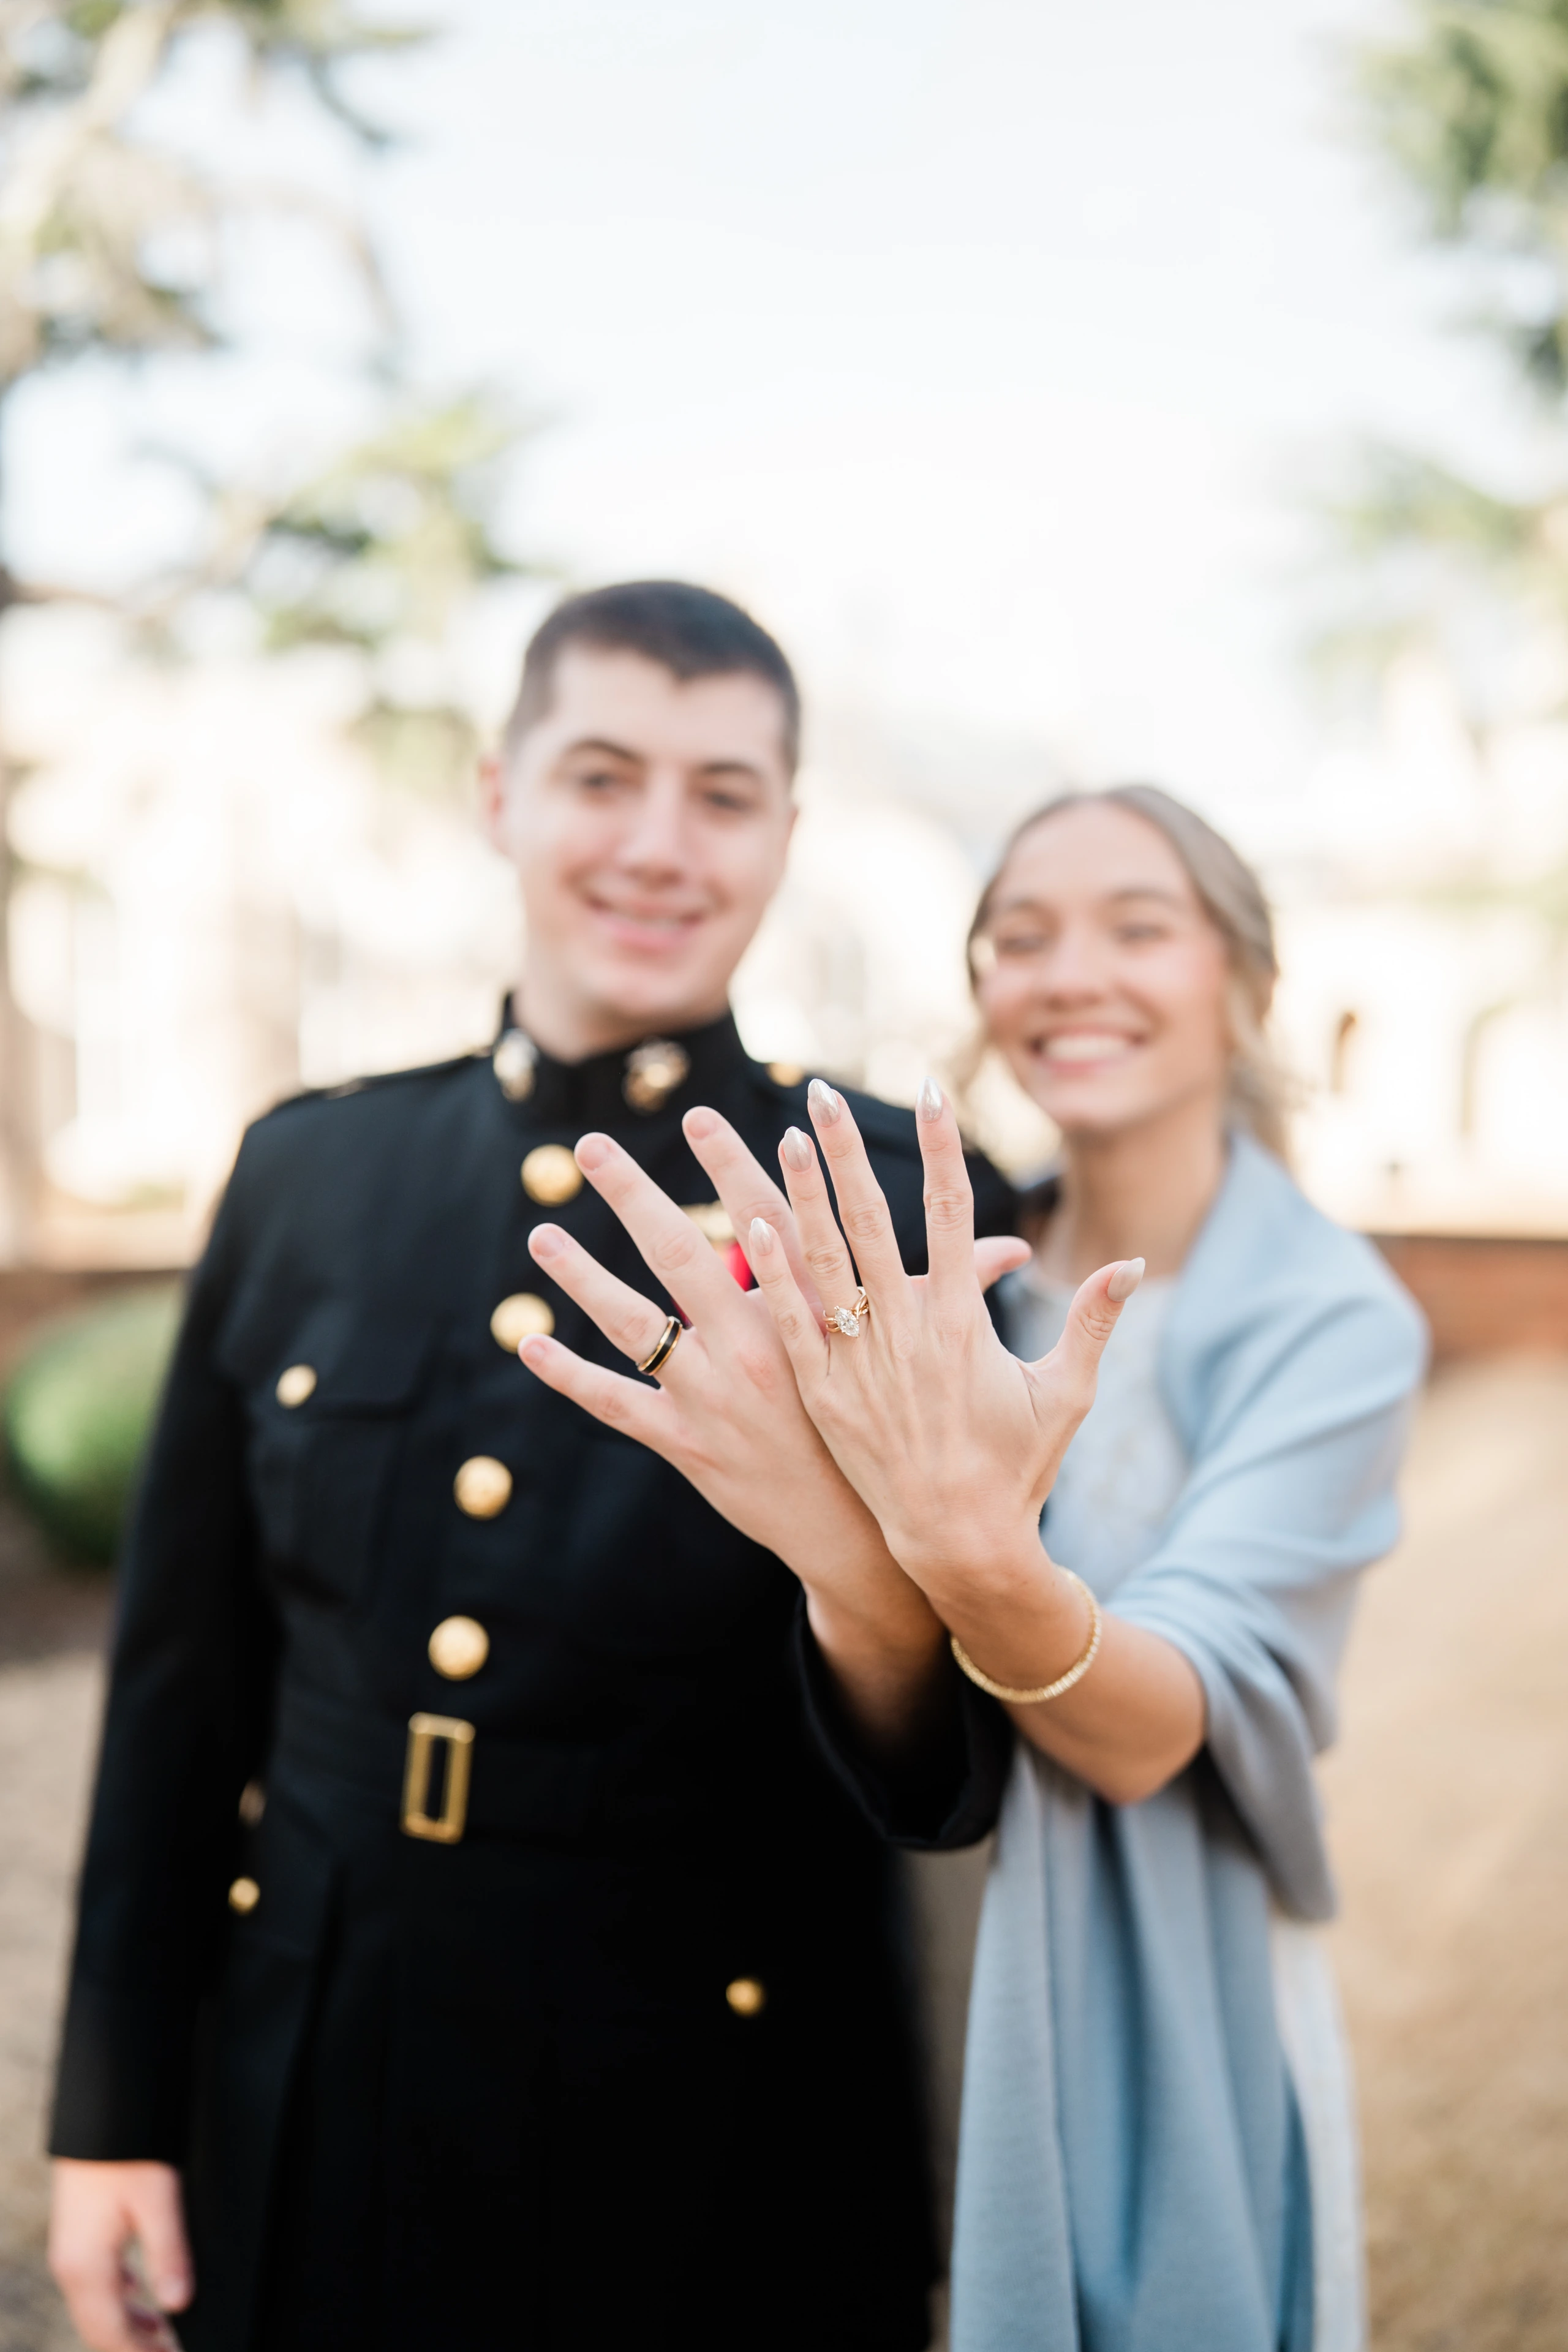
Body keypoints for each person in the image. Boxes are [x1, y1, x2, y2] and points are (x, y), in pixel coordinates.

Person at [45, 581, 1025, 2352]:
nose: (659, 845)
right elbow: (184, 1679)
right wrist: (113, 2110)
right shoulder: (309, 1173)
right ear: (499, 796)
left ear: (784, 835)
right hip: (323, 2053)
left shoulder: (891, 1199)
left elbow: (949, 1743)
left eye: (722, 795)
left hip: (723, 2100)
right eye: (601, 776)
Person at [524, 785, 1428, 2352]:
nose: (1069, 975)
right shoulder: (942, 1277)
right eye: (1019, 938)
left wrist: (962, 1549)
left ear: (1244, 980)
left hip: (1147, 1993)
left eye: (1135, 928)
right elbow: (890, 1697)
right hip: (879, 1964)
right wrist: (840, 1554)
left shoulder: (1326, 1321)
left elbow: (1153, 1733)